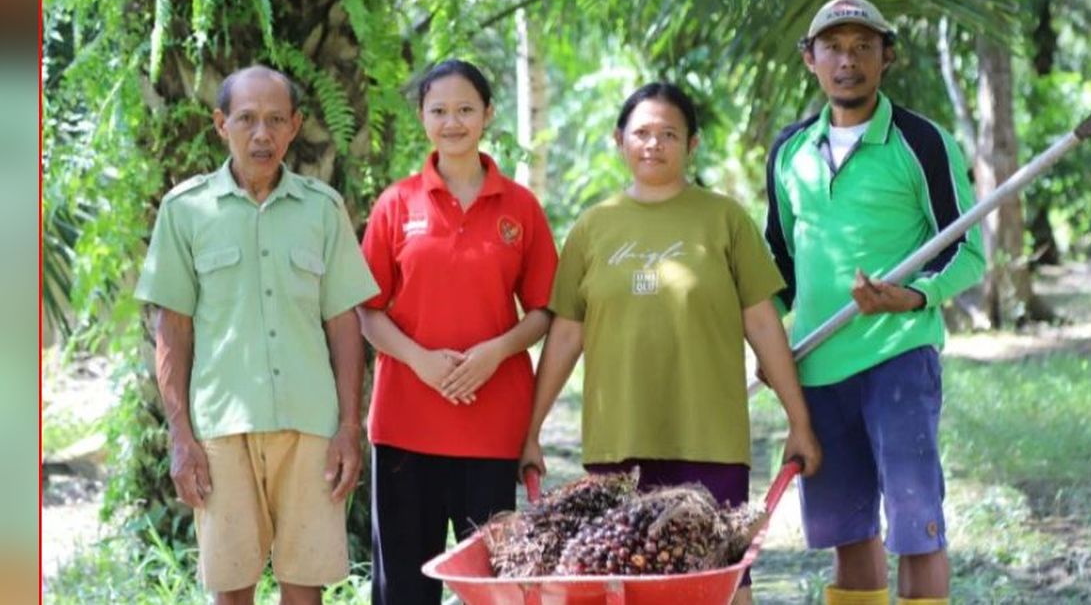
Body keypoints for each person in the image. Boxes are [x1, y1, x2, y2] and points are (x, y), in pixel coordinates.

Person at [520, 82, 823, 605]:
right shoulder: (592, 228)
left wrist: (800, 422)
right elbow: (566, 334)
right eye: (641, 133)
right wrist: (530, 431)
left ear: (692, 144)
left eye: (668, 134)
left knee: (721, 584)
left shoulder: (724, 219)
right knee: (621, 582)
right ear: (619, 140)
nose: (653, 144)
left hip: (709, 439)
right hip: (618, 441)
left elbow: (765, 324)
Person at [764, 0, 987, 605]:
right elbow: (778, 265)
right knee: (849, 532)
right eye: (833, 47)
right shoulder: (789, 152)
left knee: (917, 530)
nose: (848, 61)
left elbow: (967, 252)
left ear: (887, 56)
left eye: (863, 46)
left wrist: (912, 296)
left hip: (898, 360)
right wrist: (756, 333)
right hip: (818, 365)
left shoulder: (922, 141)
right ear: (810, 59)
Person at [134, 65, 380, 605]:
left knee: (304, 588)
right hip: (221, 428)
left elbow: (344, 322)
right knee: (231, 588)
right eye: (246, 119)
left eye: (274, 120)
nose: (261, 134)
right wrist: (180, 435)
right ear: (221, 124)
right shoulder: (186, 210)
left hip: (309, 426)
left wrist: (347, 427)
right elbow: (171, 328)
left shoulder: (322, 209)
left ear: (295, 126)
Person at [357, 59, 558, 605]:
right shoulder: (396, 204)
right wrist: (419, 359)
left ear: (488, 114)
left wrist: (496, 351)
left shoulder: (521, 208)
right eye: (439, 110)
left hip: (492, 425)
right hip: (405, 425)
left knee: (493, 586)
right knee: (402, 588)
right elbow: (367, 311)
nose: (453, 122)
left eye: (466, 109)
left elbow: (544, 310)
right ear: (422, 116)